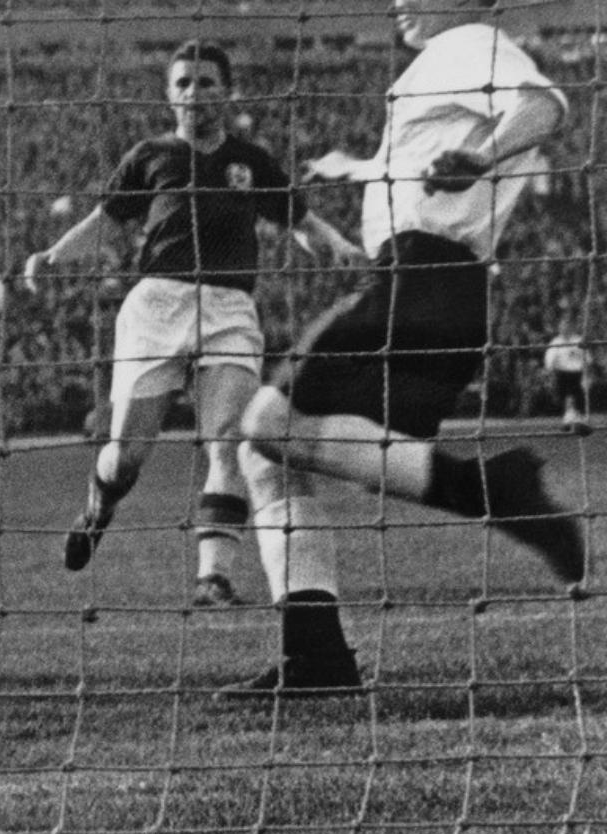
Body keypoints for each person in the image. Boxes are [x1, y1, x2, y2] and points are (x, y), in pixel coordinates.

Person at [219, 0, 579, 698]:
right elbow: (419, 172)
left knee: (261, 428)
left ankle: (492, 489)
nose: (398, 3)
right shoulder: (430, 69)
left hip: (422, 279)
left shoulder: (472, 41)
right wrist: (358, 166)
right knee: (265, 453)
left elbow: (543, 106)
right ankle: (317, 654)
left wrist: (482, 154)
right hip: (426, 287)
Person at [22, 40, 365, 608]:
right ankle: (99, 506)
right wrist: (53, 257)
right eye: (183, 83)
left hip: (230, 308)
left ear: (226, 92)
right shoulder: (150, 155)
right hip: (157, 305)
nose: (194, 94)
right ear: (168, 94)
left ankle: (214, 577)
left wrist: (336, 244)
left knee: (227, 441)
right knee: (127, 455)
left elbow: (300, 219)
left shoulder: (251, 162)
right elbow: (106, 221)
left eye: (206, 83)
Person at [543, 320, 592, 435]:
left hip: (578, 373)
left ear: (571, 327)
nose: (564, 329)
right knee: (567, 396)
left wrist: (587, 375)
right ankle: (568, 419)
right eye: (562, 327)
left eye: (567, 326)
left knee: (577, 397)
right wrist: (550, 376)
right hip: (562, 374)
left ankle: (575, 419)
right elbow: (549, 362)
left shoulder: (578, 340)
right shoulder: (556, 342)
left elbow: (588, 360)